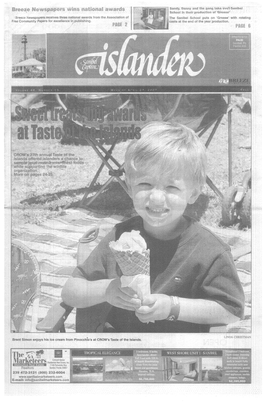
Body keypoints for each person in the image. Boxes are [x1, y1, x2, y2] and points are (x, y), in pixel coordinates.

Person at [62, 121, 245, 333]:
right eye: (145, 184)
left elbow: (231, 310)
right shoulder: (119, 237)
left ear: (193, 193)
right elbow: (70, 291)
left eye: (171, 187)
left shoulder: (209, 251)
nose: (157, 198)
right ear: (129, 188)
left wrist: (172, 307)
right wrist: (107, 289)